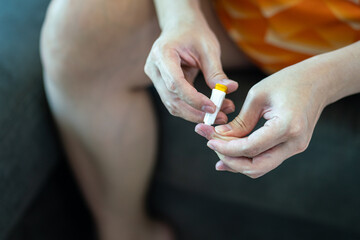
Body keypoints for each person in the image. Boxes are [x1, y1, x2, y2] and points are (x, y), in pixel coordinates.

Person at [40, 0, 360, 239]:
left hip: (343, 45)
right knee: (78, 24)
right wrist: (179, 15)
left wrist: (326, 79)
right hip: (235, 11)